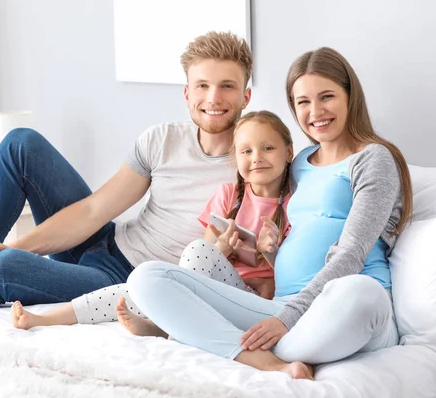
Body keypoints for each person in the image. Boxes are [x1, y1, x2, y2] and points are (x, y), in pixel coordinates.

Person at [0, 31, 254, 308]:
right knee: (21, 143)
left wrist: (11, 258)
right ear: (187, 93)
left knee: (0, 271)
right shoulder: (163, 139)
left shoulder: (257, 161)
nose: (213, 99)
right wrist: (17, 247)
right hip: (107, 242)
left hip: (126, 281)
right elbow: (94, 210)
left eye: (227, 87)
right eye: (203, 86)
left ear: (246, 97)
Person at [118, 47, 414, 381]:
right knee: (148, 277)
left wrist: (285, 320)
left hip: (341, 311)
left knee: (362, 293)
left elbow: (351, 253)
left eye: (327, 96)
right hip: (282, 308)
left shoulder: (373, 159)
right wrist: (268, 252)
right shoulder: (301, 162)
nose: (315, 111)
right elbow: (288, 220)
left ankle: (200, 335)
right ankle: (262, 357)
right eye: (302, 102)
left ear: (350, 97)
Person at [10, 110, 293, 329]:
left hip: (249, 301)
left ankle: (160, 324)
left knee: (173, 277)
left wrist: (271, 255)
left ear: (288, 152)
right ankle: (47, 319)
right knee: (149, 281)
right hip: (210, 291)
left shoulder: (296, 204)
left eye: (268, 148)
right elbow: (206, 252)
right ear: (236, 157)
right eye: (246, 151)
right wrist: (224, 249)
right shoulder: (228, 195)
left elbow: (290, 279)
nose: (257, 158)